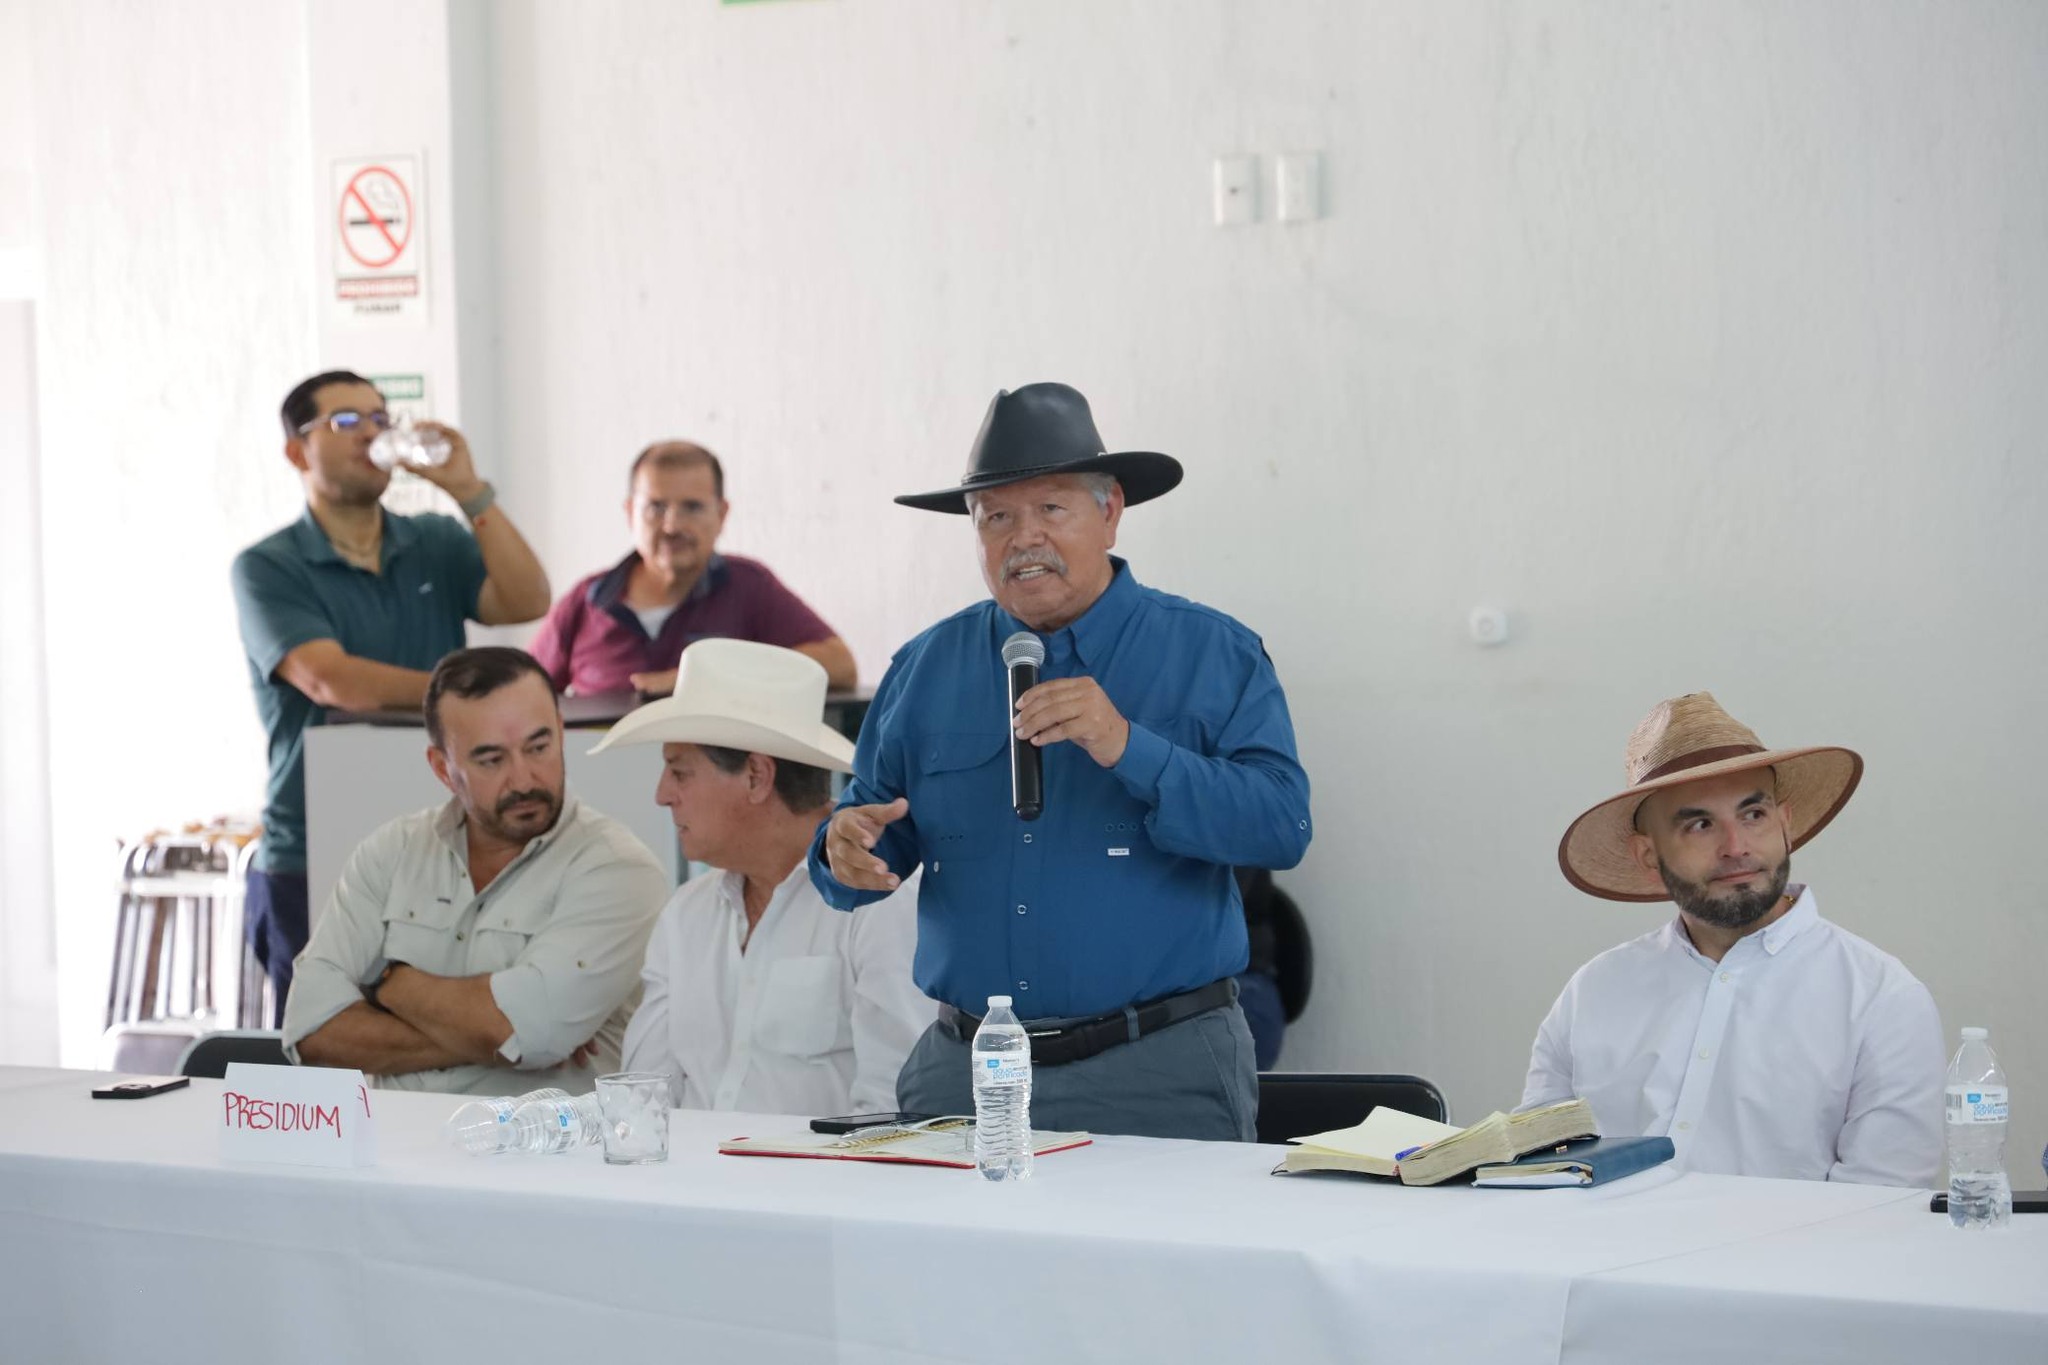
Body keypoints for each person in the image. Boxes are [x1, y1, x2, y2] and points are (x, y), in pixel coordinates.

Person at [808, 382, 1312, 1141]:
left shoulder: (1213, 653)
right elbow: (871, 832)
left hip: (1156, 1071)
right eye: (996, 517)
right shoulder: (924, 668)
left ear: (1110, 512)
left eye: (1050, 508)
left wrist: (1130, 747)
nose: (1024, 538)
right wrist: (843, 848)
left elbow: (1282, 826)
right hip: (966, 1072)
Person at [1524, 692, 1944, 1186]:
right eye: (1700, 824)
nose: (1736, 847)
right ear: (1647, 855)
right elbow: (1540, 1172)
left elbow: (1879, 1206)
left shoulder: (1881, 998)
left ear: (1785, 825)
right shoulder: (1593, 992)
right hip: (1601, 1240)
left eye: (1753, 815)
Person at [232, 371, 551, 1019]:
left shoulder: (433, 539)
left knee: (443, 1037)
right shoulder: (268, 565)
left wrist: (469, 492)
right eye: (346, 421)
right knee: (327, 1041)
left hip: (440, 840)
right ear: (296, 451)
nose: (371, 433)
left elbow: (526, 599)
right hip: (315, 848)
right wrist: (469, 700)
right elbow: (333, 680)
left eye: (380, 418)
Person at [282, 648, 667, 1094]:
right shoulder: (391, 852)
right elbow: (311, 1033)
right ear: (442, 768)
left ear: (562, 735)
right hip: (393, 1137)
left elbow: (525, 1034)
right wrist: (510, 1039)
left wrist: (383, 981)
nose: (524, 780)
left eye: (538, 747)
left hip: (542, 1140)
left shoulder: (618, 868)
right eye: (491, 760)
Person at [591, 638, 931, 1115]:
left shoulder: (882, 900)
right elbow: (639, 1103)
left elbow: (894, 1111)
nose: (662, 795)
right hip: (684, 1165)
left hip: (826, 1167)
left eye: (679, 772)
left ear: (756, 776)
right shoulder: (686, 915)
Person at [528, 441, 856, 697]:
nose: (672, 525)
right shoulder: (586, 600)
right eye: (656, 507)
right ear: (629, 513)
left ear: (721, 515)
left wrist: (707, 677)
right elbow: (521, 691)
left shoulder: (749, 588)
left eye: (692, 507)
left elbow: (841, 666)